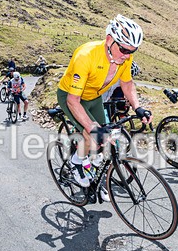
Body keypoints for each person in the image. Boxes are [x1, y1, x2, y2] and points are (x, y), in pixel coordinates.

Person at [57, 14, 152, 187]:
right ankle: (76, 161)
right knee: (92, 135)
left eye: (132, 51)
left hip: (94, 97)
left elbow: (127, 83)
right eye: (124, 50)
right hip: (71, 97)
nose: (127, 56)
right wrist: (92, 128)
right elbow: (73, 100)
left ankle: (93, 167)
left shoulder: (125, 57)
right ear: (109, 40)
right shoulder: (86, 56)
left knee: (104, 138)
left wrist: (137, 107)